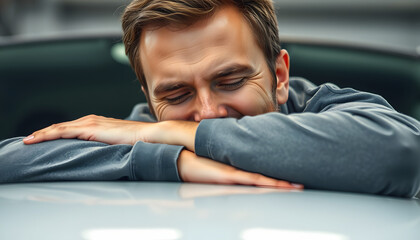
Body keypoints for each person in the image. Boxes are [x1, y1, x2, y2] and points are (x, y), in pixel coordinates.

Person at [1, 0, 419, 198]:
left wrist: (175, 136)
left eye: (231, 80)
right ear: (148, 99)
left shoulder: (326, 108)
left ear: (279, 75)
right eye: (177, 93)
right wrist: (167, 158)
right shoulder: (132, 134)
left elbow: (403, 153)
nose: (206, 113)